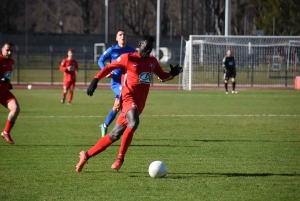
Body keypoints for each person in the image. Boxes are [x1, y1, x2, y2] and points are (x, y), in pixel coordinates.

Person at [76, 34, 182, 172]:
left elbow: (162, 75)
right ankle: (120, 159)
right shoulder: (128, 58)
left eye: (150, 50)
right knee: (134, 123)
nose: (148, 52)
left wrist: (172, 74)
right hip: (128, 98)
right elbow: (109, 67)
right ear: (139, 45)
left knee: (114, 135)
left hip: (139, 104)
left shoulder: (152, 61)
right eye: (146, 49)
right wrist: (95, 80)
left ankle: (86, 155)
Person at [98, 30, 136, 137]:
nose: (122, 36)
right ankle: (125, 126)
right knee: (124, 102)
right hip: (116, 83)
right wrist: (106, 70)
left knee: (117, 106)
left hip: (127, 82)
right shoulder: (112, 50)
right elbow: (100, 60)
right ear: (116, 38)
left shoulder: (131, 50)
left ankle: (105, 125)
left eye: (124, 34)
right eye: (120, 35)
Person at [0, 42, 20, 144]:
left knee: (16, 109)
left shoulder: (11, 61)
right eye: (7, 50)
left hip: (4, 92)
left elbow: (6, 75)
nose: (9, 52)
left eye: (11, 50)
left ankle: (6, 132)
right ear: (2, 50)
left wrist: (9, 83)